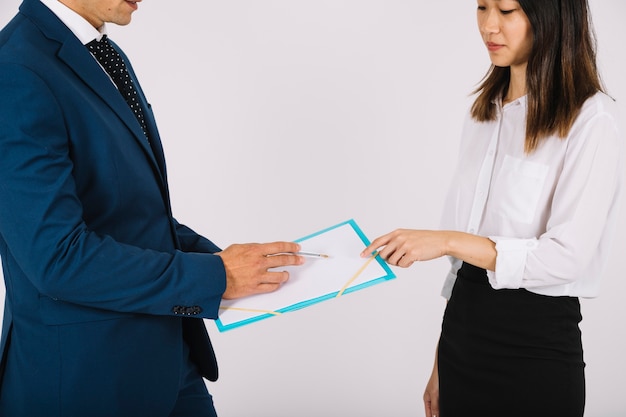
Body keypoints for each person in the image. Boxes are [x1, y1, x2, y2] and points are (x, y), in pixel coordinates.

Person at [0, 0, 306, 416]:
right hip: (83, 382)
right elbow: (57, 258)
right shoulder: (16, 70)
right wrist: (214, 276)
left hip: (169, 361)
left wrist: (238, 264)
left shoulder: (101, 53)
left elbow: (127, 212)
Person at [361, 0, 623, 416]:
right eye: (482, 7)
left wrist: (448, 240)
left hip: (535, 350)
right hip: (463, 340)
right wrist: (439, 363)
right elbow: (461, 268)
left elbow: (568, 257)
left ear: (551, 16)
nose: (488, 25)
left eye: (507, 10)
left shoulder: (591, 121)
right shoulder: (482, 113)